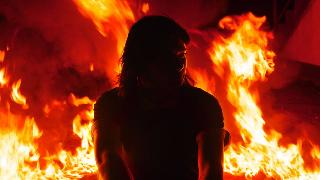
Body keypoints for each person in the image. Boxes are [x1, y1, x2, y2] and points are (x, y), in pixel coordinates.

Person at [93, 15, 228, 180]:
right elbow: (108, 160)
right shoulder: (111, 104)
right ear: (141, 61)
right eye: (167, 56)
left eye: (181, 55)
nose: (179, 64)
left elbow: (212, 168)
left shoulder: (204, 104)